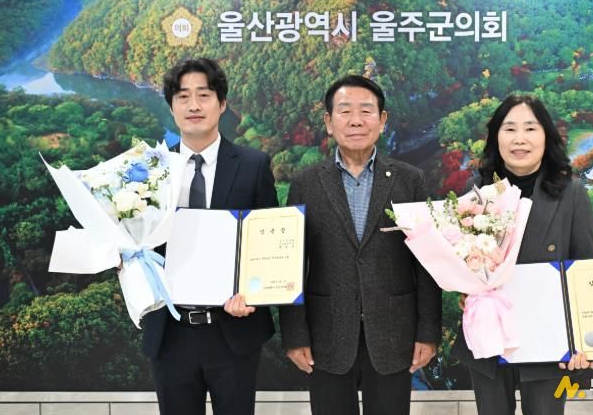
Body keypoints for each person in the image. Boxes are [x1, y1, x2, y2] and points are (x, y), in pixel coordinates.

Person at [279, 75, 442, 415]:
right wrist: (294, 335)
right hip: (327, 334)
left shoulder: (409, 179)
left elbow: (427, 262)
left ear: (382, 121)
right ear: (329, 122)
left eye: (366, 111)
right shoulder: (306, 183)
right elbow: (290, 264)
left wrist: (428, 332)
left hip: (394, 333)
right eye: (345, 111)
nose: (356, 120)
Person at [141, 58, 278, 415]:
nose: (194, 105)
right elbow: (135, 244)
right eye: (183, 96)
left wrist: (254, 294)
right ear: (171, 107)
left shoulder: (253, 165)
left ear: (222, 103)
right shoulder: (149, 171)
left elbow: (268, 244)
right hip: (170, 333)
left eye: (204, 95)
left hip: (233, 331)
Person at [452, 94, 593, 415]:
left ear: (546, 136)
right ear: (496, 137)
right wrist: (467, 290)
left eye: (530, 128)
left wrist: (584, 338)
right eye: (509, 129)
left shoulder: (571, 192)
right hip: (489, 334)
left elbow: (585, 269)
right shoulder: (477, 190)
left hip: (549, 338)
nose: (520, 139)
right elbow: (461, 257)